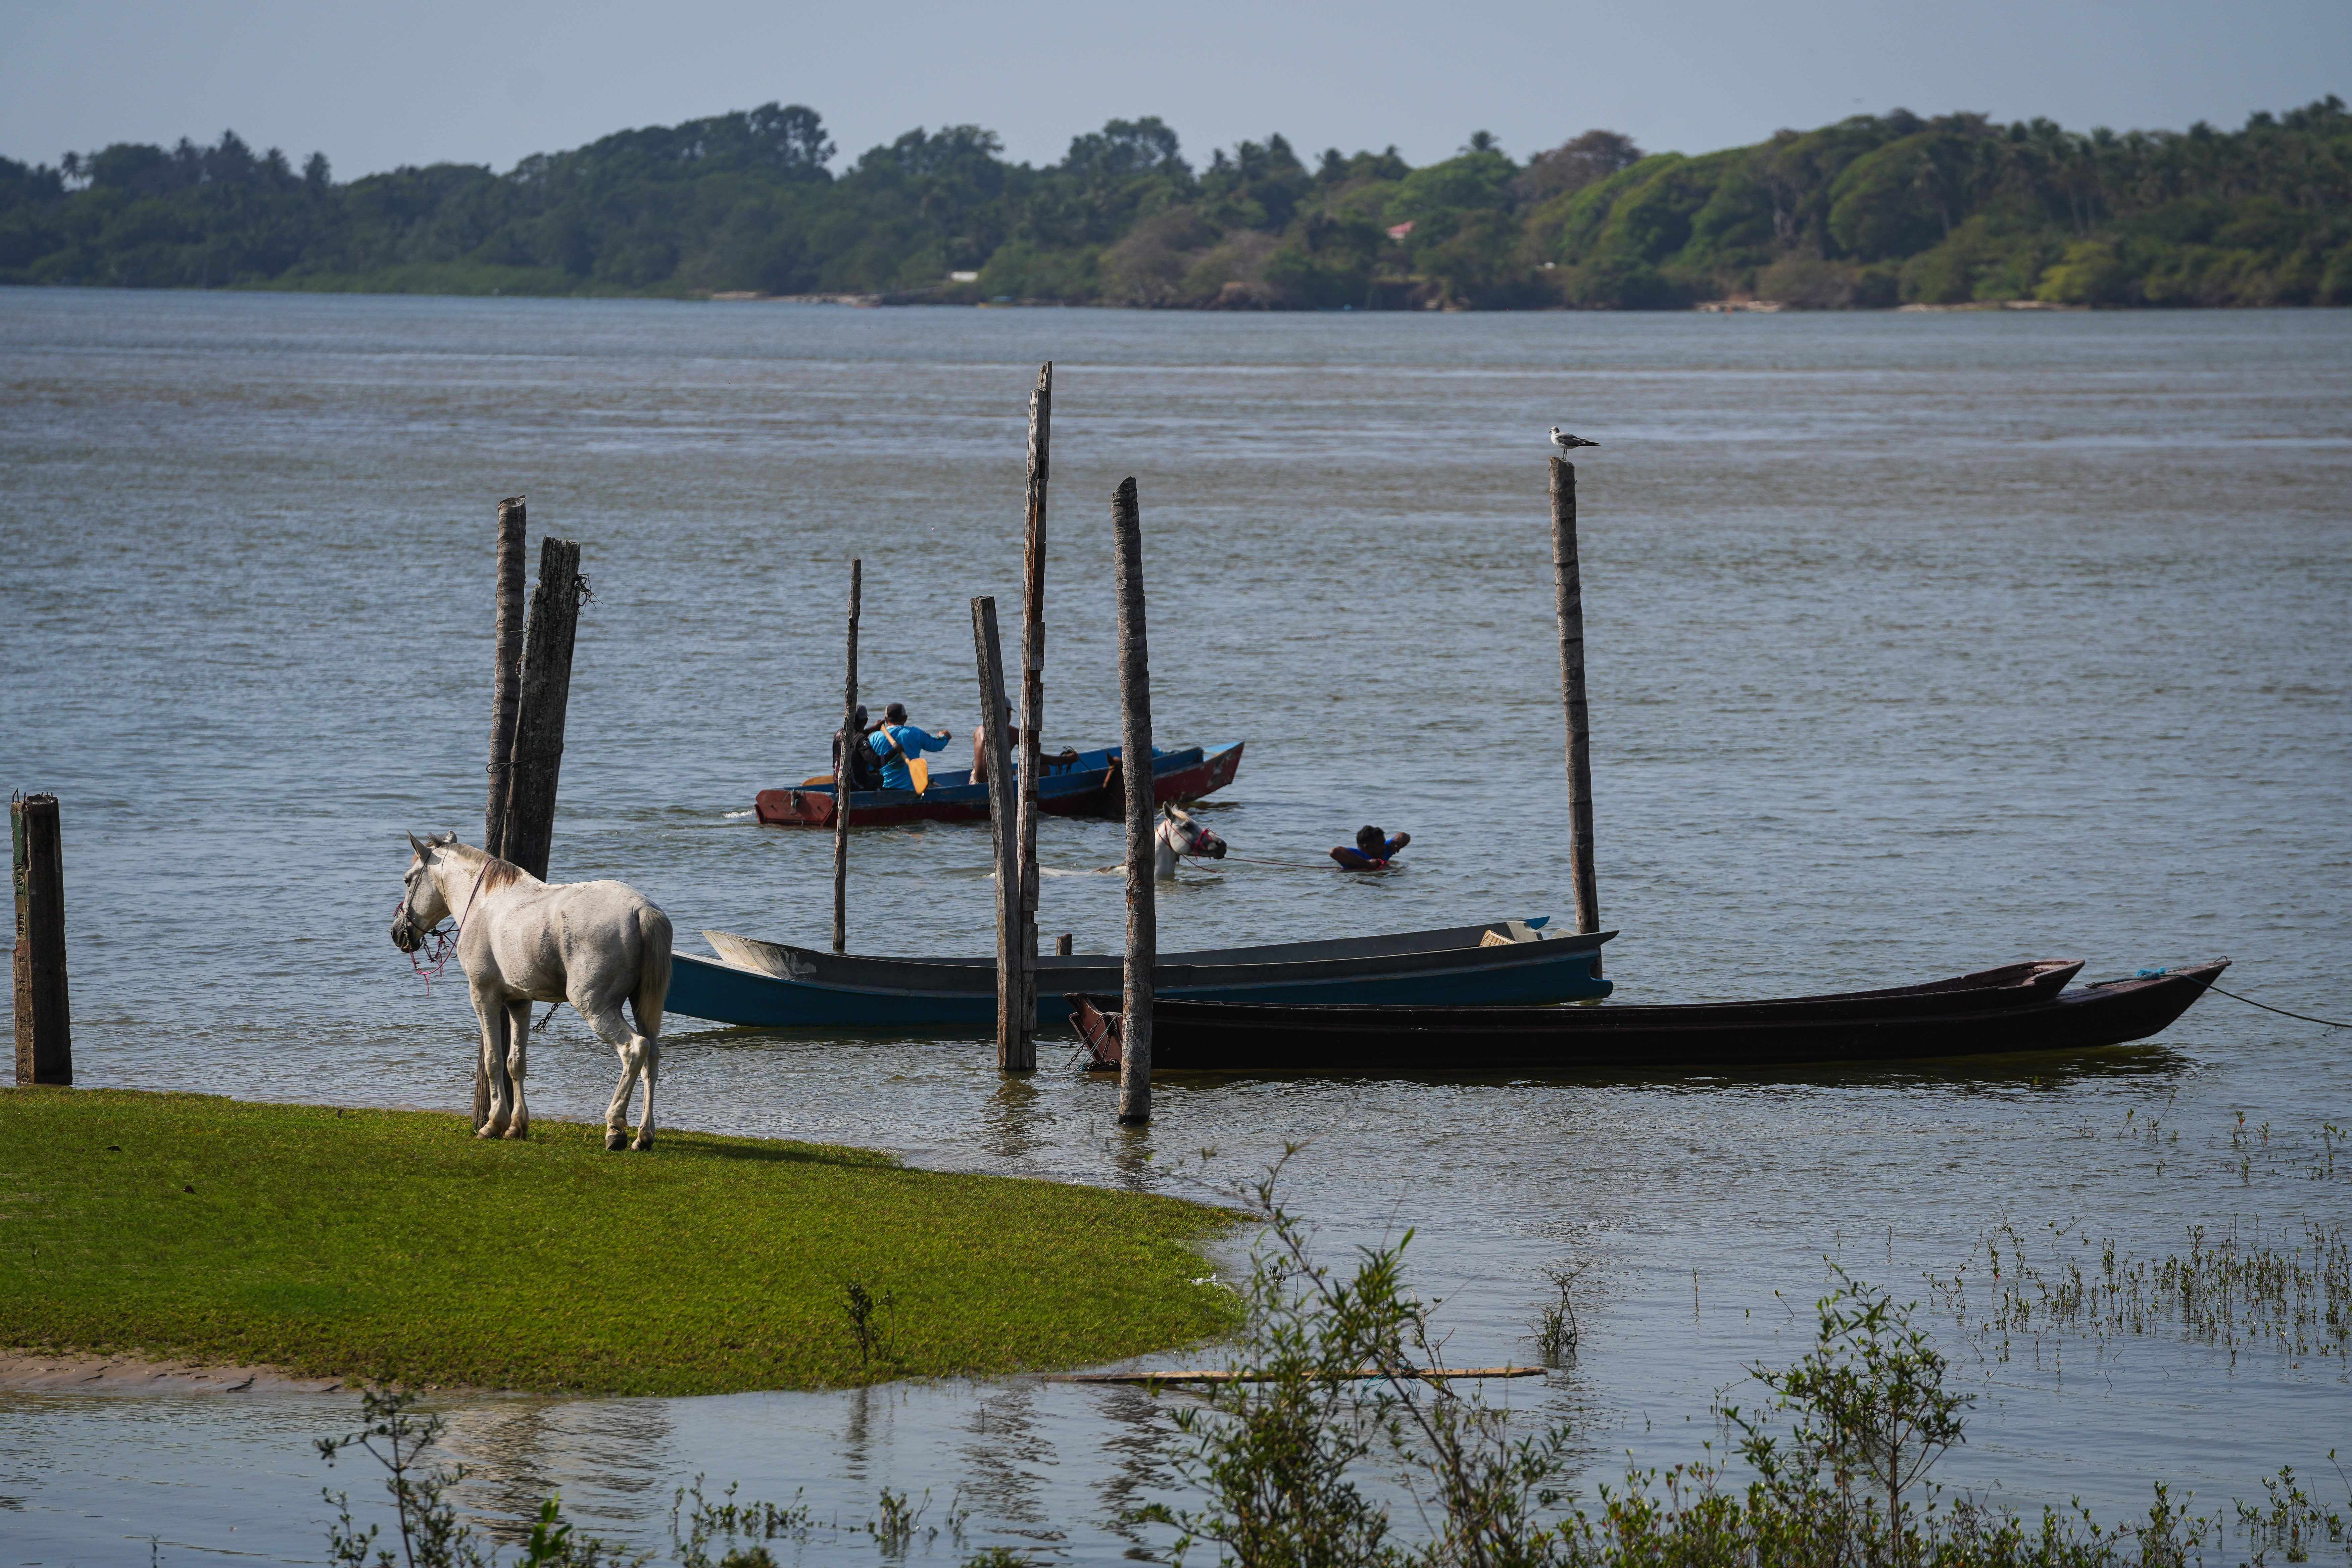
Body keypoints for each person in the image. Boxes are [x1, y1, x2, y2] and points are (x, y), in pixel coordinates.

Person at [869, 701, 951, 790]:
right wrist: (944, 737)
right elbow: (937, 745)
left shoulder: (874, 738)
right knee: (945, 791)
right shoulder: (915, 733)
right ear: (906, 719)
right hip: (914, 789)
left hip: (886, 789)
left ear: (886, 719)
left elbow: (870, 766)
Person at [832, 705, 883, 792]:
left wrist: (873, 729)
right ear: (866, 721)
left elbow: (856, 737)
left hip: (839, 786)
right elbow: (877, 762)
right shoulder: (861, 739)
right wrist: (896, 750)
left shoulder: (839, 734)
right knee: (879, 778)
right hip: (857, 787)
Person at [1330, 824, 1410, 870]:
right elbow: (1335, 852)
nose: (1385, 847)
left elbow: (1405, 837)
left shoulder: (1384, 850)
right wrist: (1367, 864)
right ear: (1367, 848)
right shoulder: (1357, 855)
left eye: (1384, 843)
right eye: (1380, 845)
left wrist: (1399, 839)